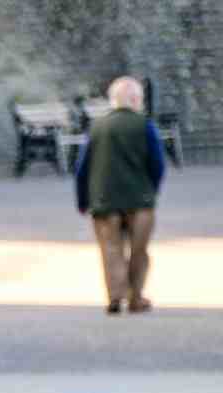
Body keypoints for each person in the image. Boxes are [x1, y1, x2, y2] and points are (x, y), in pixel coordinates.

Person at [75, 76, 166, 315]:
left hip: (104, 201)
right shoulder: (144, 125)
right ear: (136, 99)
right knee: (139, 250)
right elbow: (157, 164)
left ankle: (115, 296)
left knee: (111, 249)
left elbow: (82, 168)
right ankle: (135, 297)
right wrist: (151, 191)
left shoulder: (97, 127)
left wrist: (82, 200)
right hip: (140, 201)